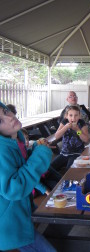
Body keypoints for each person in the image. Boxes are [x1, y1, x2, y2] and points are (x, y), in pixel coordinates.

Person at [0, 101, 56, 252]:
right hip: (10, 225)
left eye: (5, 112)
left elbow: (18, 167)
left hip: (19, 216)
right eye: (0, 120)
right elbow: (13, 188)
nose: (10, 117)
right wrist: (40, 155)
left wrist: (36, 149)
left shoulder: (11, 142)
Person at [21, 128, 61, 196]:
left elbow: (33, 148)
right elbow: (31, 178)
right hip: (38, 183)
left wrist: (78, 131)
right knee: (57, 187)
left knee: (61, 180)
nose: (27, 141)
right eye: (23, 139)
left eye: (27, 138)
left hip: (44, 175)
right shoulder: (22, 157)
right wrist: (46, 191)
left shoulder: (80, 125)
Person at [51, 105, 89, 172]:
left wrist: (77, 130)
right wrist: (65, 127)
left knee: (69, 170)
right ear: (66, 116)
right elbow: (56, 136)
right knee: (50, 169)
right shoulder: (64, 122)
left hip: (77, 153)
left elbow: (86, 139)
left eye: (76, 115)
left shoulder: (81, 123)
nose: (73, 118)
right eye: (71, 115)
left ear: (79, 115)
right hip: (64, 153)